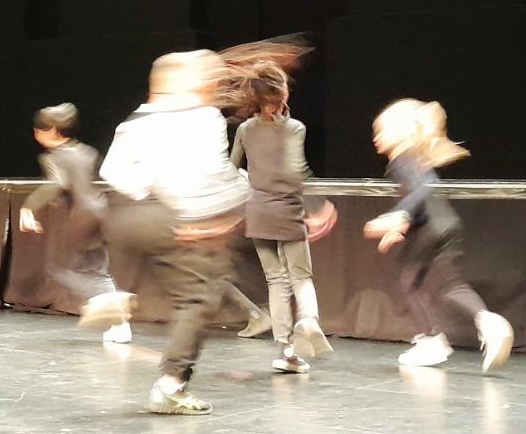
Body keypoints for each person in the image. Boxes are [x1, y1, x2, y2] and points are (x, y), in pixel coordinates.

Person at [99, 50, 249, 415]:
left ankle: (113, 294)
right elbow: (209, 172)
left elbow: (111, 170)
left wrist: (145, 192)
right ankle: (170, 385)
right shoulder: (202, 116)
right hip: (172, 215)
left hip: (125, 218)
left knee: (172, 274)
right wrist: (207, 216)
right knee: (198, 299)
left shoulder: (133, 121)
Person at [363, 99, 513, 374]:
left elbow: (426, 188)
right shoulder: (415, 158)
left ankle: (431, 341)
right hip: (446, 224)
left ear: (401, 132)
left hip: (429, 228)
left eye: (382, 131)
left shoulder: (402, 159)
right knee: (448, 285)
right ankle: (489, 322)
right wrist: (400, 224)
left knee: (410, 282)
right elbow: (423, 194)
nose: (376, 137)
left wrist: (400, 216)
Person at [228, 62, 331, 374]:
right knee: (301, 276)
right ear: (282, 91)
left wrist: (254, 183)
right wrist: (315, 207)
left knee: (275, 280)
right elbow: (295, 170)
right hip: (287, 210)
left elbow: (232, 168)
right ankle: (309, 320)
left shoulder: (245, 130)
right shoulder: (294, 128)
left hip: (258, 212)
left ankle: (285, 350)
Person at [19, 103, 129, 343]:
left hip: (80, 215)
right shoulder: (86, 152)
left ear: (51, 131)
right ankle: (120, 325)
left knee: (60, 269)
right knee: (97, 269)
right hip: (100, 211)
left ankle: (109, 302)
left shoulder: (54, 157)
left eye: (39, 129)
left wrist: (29, 206)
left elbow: (56, 183)